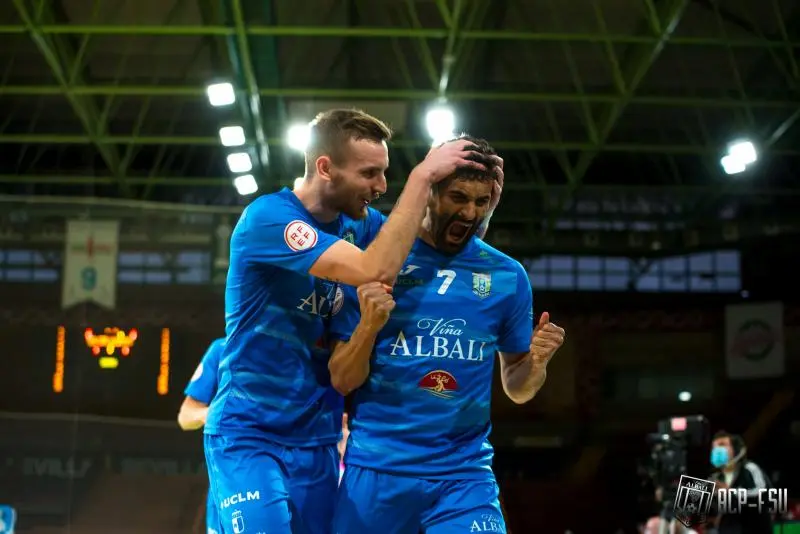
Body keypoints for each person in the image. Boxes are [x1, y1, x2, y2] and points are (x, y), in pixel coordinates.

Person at [203, 109, 497, 534]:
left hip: (318, 441)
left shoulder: (361, 226)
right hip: (249, 434)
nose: (381, 187)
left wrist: (482, 213)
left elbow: (436, 245)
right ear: (325, 168)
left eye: (386, 174)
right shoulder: (268, 220)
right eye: (370, 174)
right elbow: (373, 270)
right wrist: (421, 177)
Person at [327, 136, 566, 533]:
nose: (470, 212)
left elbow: (518, 388)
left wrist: (537, 363)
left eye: (481, 201)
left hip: (463, 478)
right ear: (431, 191)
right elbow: (342, 379)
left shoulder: (507, 277)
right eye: (458, 197)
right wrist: (369, 325)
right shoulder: (376, 258)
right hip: (379, 472)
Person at [178, 338, 225, 534]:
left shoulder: (311, 348)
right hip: (226, 485)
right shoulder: (222, 350)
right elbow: (185, 416)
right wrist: (215, 413)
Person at [708, 431, 772, 534]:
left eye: (722, 445)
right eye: (714, 447)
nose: (717, 450)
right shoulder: (715, 478)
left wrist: (731, 492)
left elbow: (762, 493)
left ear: (736, 449)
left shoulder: (750, 469)